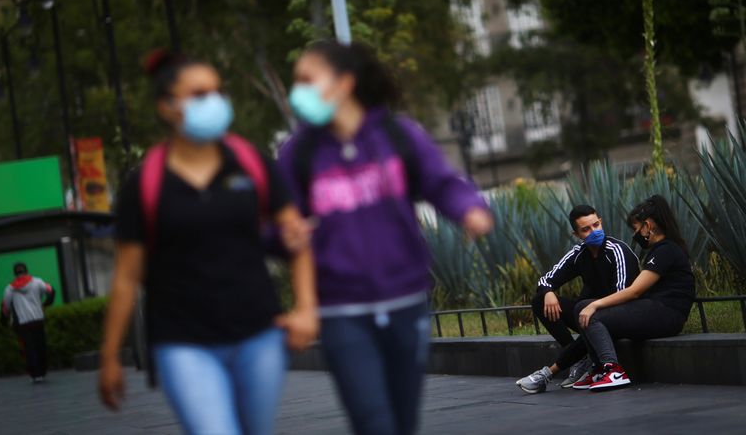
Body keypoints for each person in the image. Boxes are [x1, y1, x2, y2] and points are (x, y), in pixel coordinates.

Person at [277, 40, 494, 435]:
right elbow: (276, 222)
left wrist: (470, 209)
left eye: (308, 80)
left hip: (405, 302)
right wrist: (282, 234)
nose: (299, 91)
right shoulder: (298, 154)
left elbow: (441, 183)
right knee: (372, 422)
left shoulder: (398, 135)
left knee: (402, 421)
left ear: (344, 83)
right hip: (341, 311)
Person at [98, 50, 318, 435]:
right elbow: (126, 277)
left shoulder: (251, 163)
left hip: (258, 334)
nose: (214, 102)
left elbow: (296, 239)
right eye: (199, 94)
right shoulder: (144, 184)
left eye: (218, 91)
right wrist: (109, 357)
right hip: (183, 343)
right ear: (167, 107)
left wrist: (306, 308)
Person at [574, 194, 696, 391]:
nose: (635, 234)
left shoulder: (666, 250)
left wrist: (596, 304)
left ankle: (613, 371)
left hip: (666, 314)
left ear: (647, 226)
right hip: (656, 310)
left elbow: (634, 291)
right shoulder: (660, 250)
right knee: (581, 307)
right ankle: (598, 369)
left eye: (636, 229)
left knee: (593, 314)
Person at [515, 204, 639, 393]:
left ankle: (549, 372)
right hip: (589, 315)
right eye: (586, 229)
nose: (594, 231)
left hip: (618, 315)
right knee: (540, 301)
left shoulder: (617, 251)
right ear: (577, 234)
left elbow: (623, 297)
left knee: (584, 310)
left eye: (596, 225)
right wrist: (548, 292)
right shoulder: (579, 254)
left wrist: (594, 307)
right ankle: (580, 358)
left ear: (601, 222)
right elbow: (546, 280)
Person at [0, 262, 56, 383]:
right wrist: (46, 304)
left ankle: (36, 375)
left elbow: (5, 308)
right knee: (41, 346)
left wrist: (3, 321)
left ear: (15, 273)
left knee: (29, 349)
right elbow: (51, 290)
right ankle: (43, 371)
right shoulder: (37, 281)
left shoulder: (10, 289)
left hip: (23, 324)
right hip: (38, 319)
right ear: (26, 270)